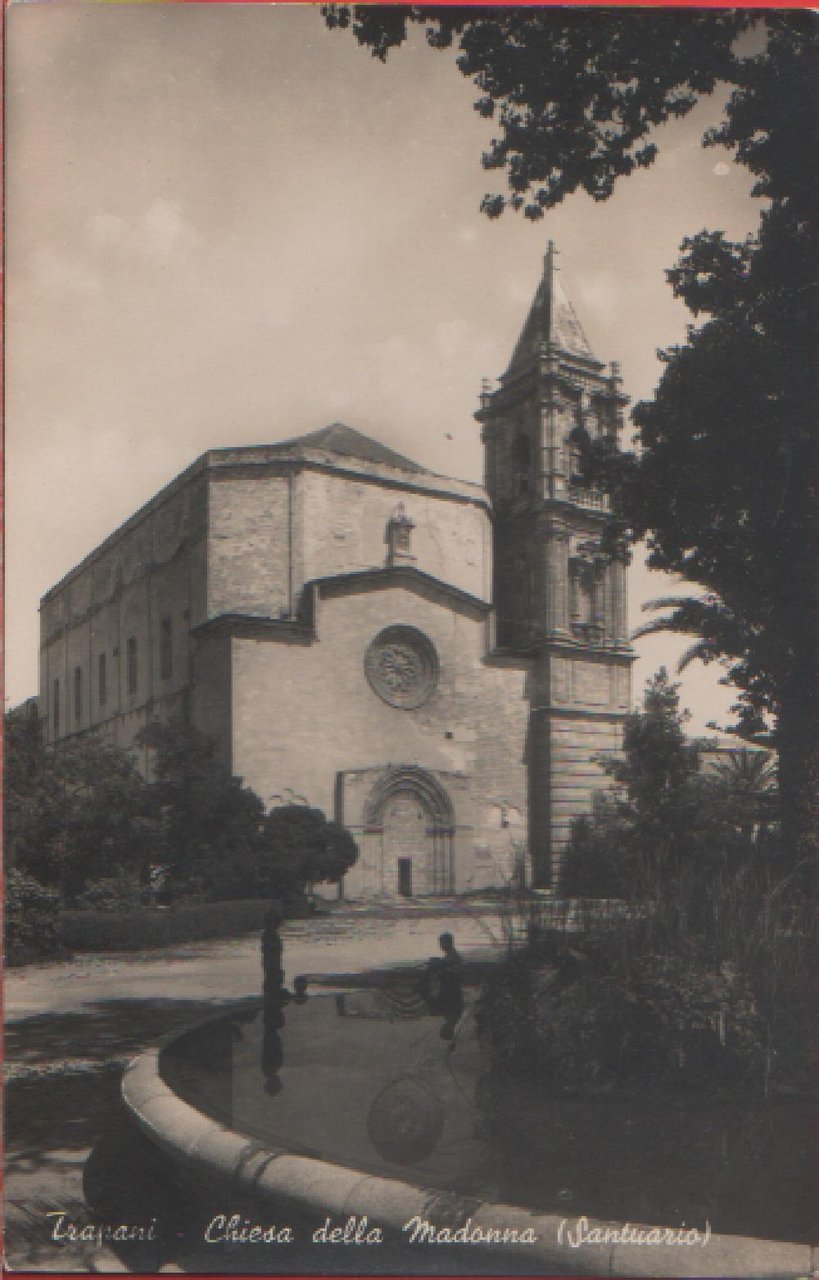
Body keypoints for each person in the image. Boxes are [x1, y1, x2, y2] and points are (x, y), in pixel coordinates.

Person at [419, 931, 464, 1040]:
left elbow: (445, 964)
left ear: (448, 943)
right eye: (441, 943)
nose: (441, 946)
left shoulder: (453, 956)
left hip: (451, 990)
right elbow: (443, 963)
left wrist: (435, 963)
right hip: (449, 989)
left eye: (442, 943)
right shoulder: (451, 956)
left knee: (435, 1000)